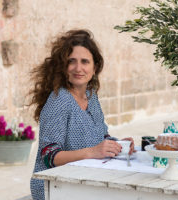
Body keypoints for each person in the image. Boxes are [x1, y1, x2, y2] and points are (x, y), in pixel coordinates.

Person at [29, 29, 134, 200]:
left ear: (95, 68)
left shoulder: (91, 96)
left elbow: (101, 136)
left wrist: (119, 145)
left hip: (84, 182)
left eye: (85, 61)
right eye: (72, 61)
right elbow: (49, 156)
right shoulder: (59, 100)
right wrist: (92, 152)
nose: (78, 68)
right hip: (55, 188)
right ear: (64, 67)